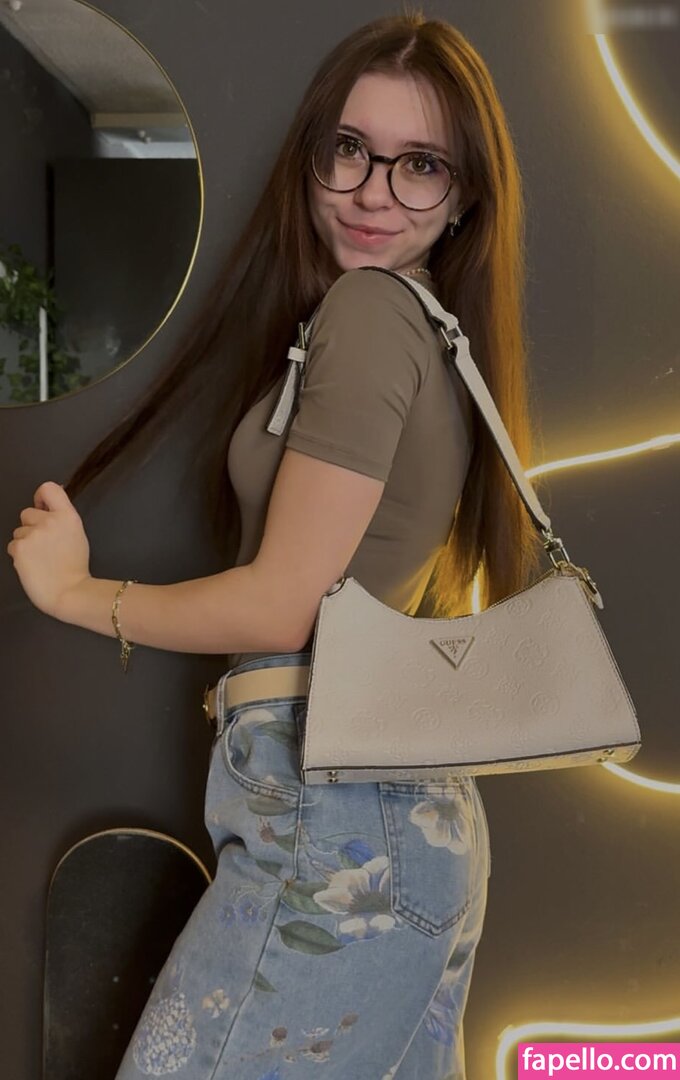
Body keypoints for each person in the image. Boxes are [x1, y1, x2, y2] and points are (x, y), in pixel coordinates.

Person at [7, 11, 545, 1078]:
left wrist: (75, 592)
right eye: (349, 150)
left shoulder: (371, 315)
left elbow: (286, 604)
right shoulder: (428, 329)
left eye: (419, 165)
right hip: (401, 830)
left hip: (338, 838)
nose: (372, 192)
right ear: (313, 157)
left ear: (464, 197)